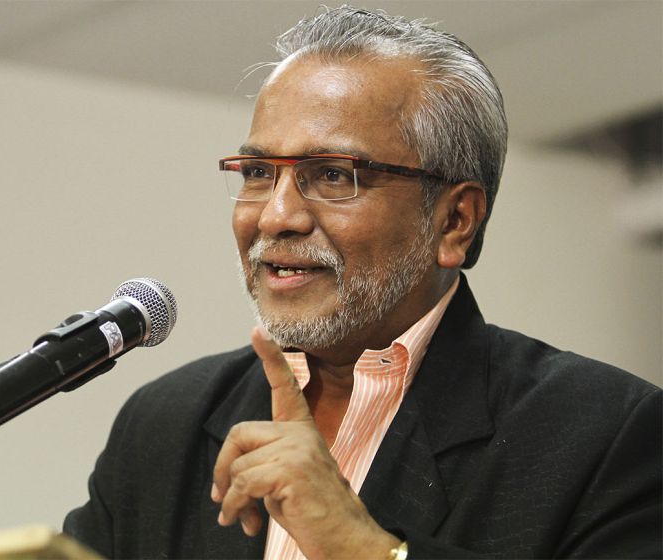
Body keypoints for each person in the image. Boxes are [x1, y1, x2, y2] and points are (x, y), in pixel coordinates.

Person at [63, 6, 662, 559]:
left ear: (454, 221)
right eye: (257, 172)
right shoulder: (165, 424)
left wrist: (364, 548)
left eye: (331, 175)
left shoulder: (604, 434)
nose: (276, 216)